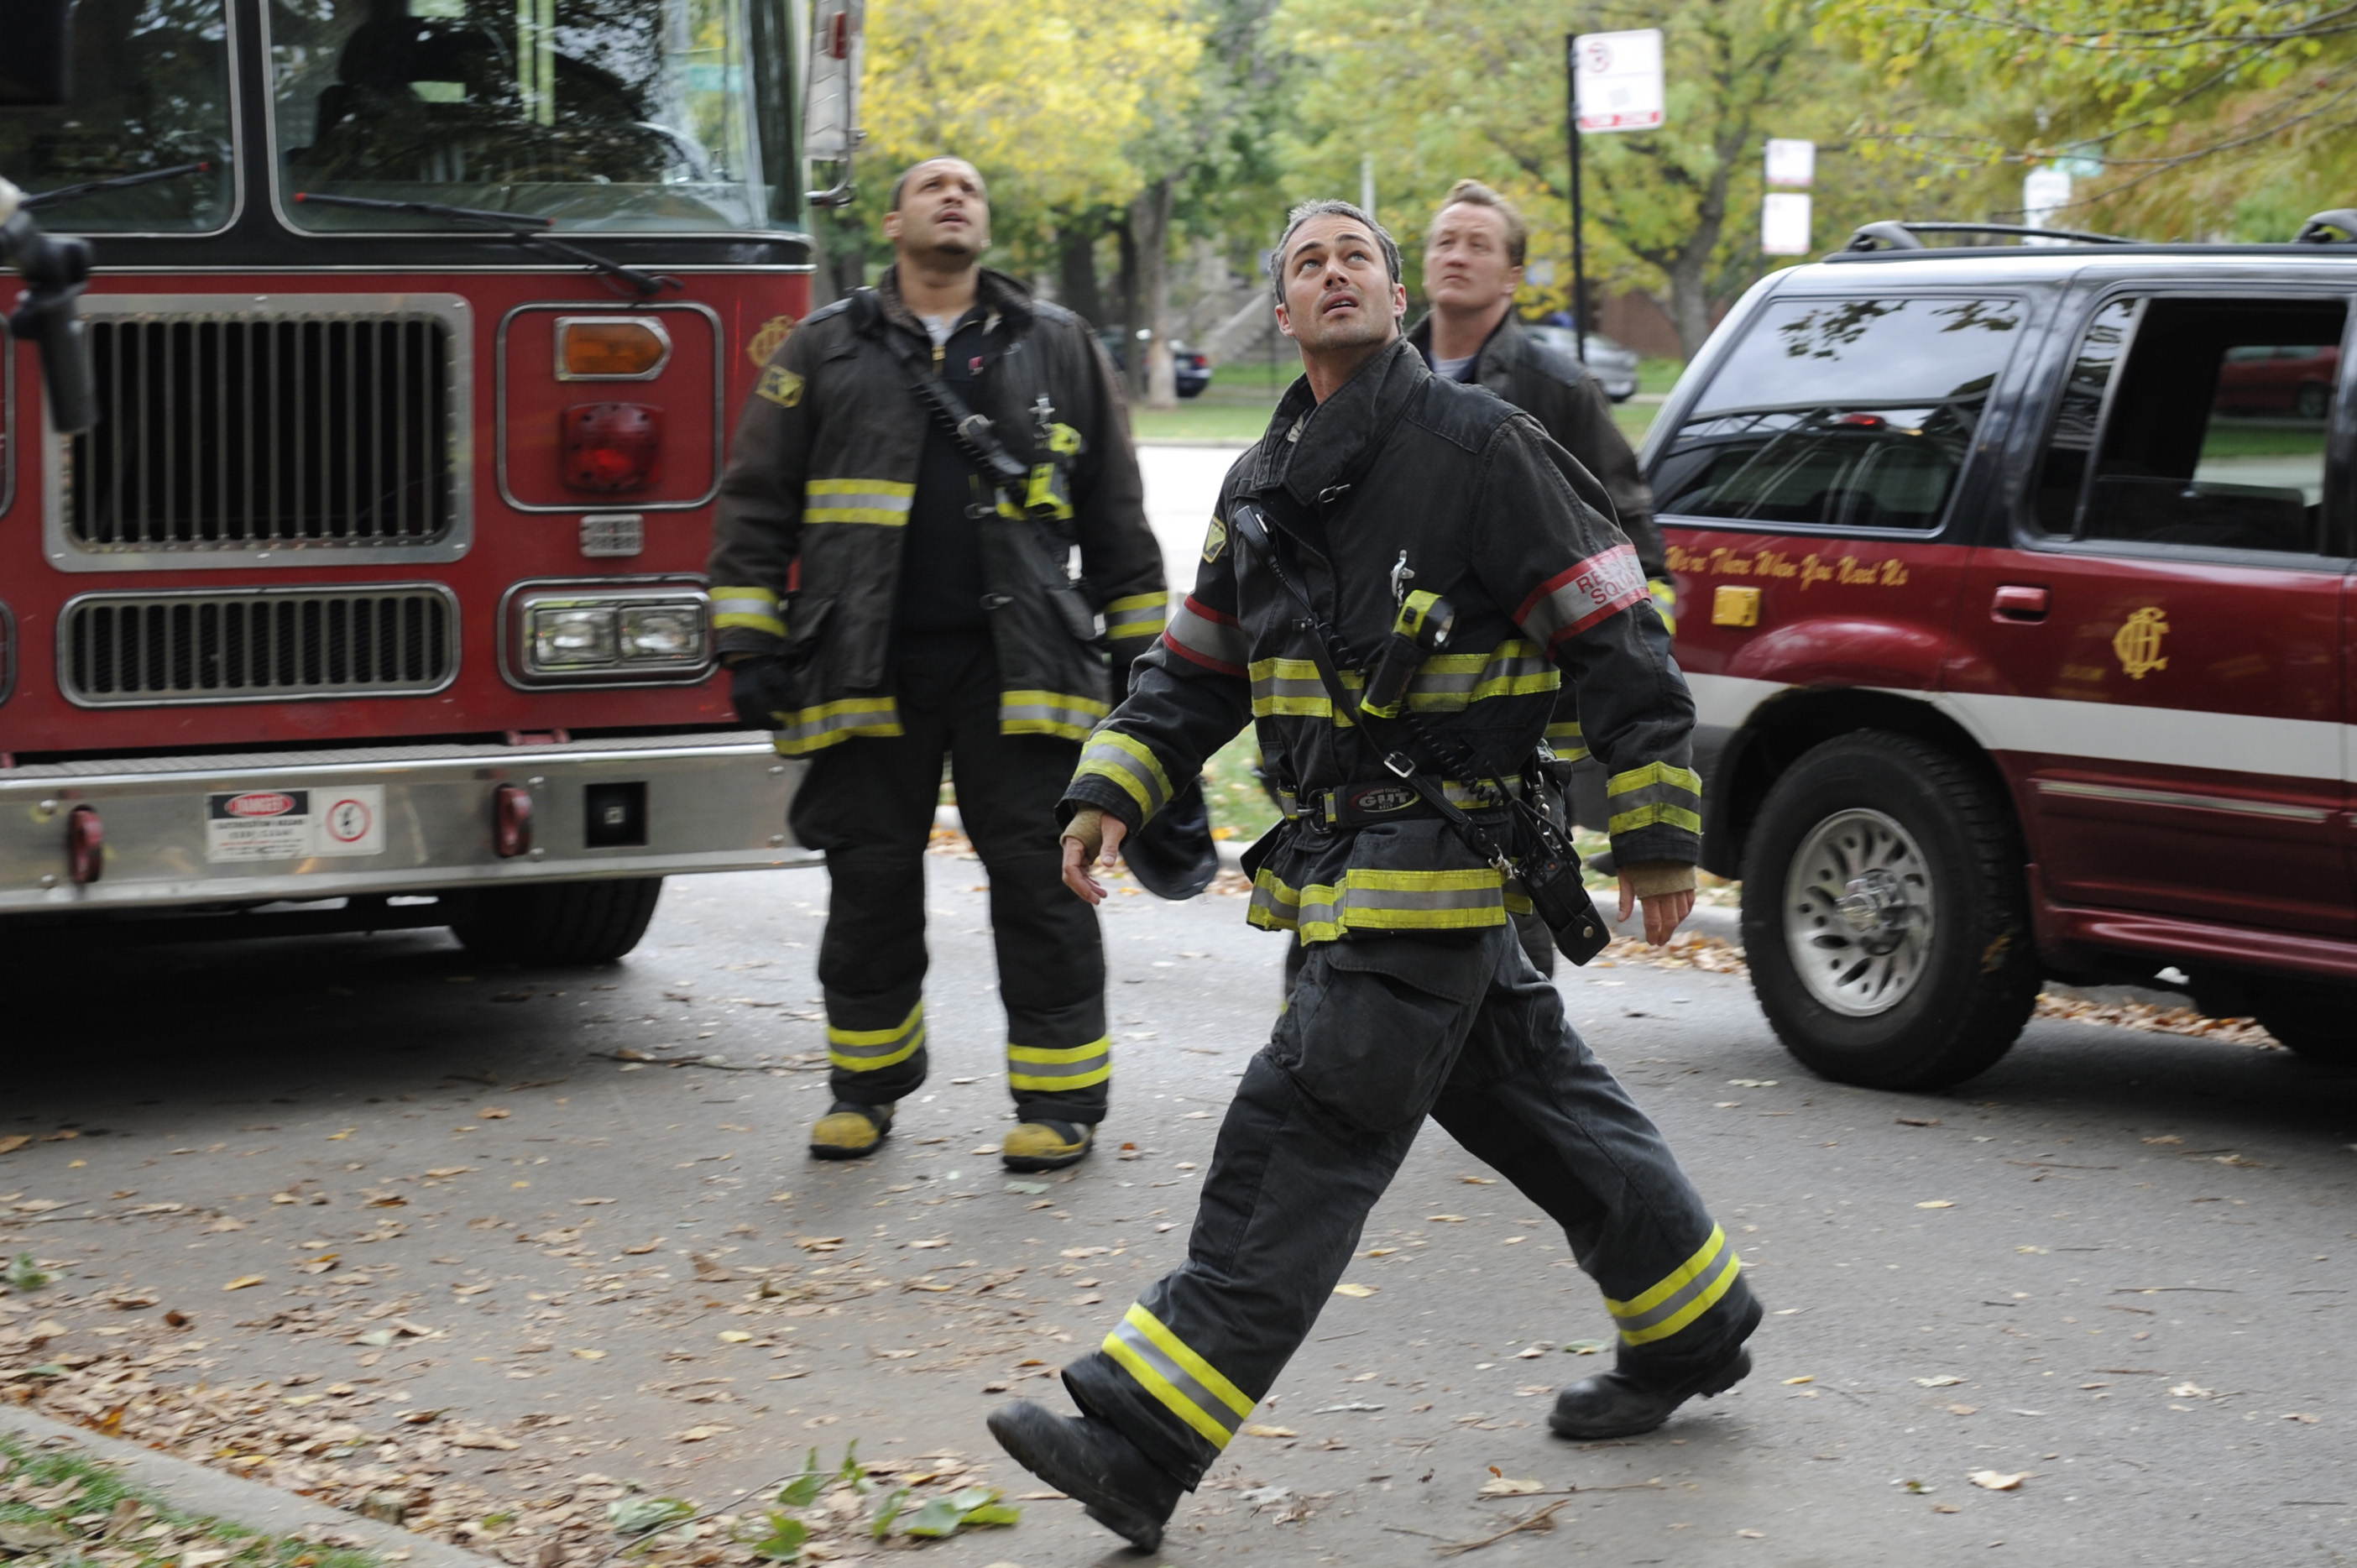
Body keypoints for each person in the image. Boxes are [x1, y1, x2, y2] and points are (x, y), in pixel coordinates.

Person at [983, 199, 1760, 1551]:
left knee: (1303, 1132)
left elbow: (1616, 630)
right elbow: (1194, 670)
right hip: (1347, 861)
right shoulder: (1263, 478)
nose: (1333, 273)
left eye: (1358, 257)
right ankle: (1694, 1319)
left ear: (1394, 303)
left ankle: (1141, 1437)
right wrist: (1115, 783)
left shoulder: (1484, 447)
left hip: (1437, 868)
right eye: (1306, 262)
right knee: (1536, 1100)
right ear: (1281, 314)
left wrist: (1652, 827)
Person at [708, 156, 1166, 1173]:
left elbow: (1118, 518)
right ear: (893, 219)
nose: (955, 197)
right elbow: (753, 501)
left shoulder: (1060, 347)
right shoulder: (822, 347)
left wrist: (1144, 666)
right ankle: (861, 1091)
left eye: (970, 189)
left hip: (1028, 668)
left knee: (1045, 885)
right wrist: (746, 641)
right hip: (861, 666)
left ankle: (1060, 1102)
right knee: (868, 880)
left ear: (985, 225)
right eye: (932, 186)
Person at [1412, 179, 1680, 933]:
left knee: (1511, 946)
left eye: (1478, 244)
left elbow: (1629, 542)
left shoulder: (1558, 391)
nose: (1456, 255)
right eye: (1443, 241)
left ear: (1513, 276)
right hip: (1399, 732)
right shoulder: (1380, 382)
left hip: (1518, 737)